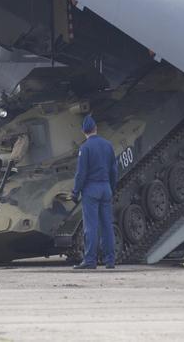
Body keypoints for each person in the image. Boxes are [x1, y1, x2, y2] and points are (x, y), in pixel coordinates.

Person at [71, 115, 118, 270]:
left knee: (90, 226)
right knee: (107, 225)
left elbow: (81, 173)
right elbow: (114, 170)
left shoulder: (85, 148)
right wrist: (112, 187)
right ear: (96, 128)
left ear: (83, 131)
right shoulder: (108, 145)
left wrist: (75, 191)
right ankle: (110, 260)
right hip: (105, 188)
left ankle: (90, 260)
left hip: (91, 190)